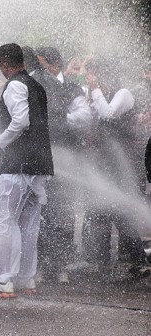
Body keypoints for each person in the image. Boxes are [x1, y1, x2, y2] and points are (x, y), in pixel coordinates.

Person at [0, 43, 54, 298]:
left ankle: (3, 279)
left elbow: (21, 121)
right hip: (38, 165)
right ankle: (26, 279)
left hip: (18, 166)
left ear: (3, 65)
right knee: (28, 224)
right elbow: (25, 120)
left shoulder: (14, 85)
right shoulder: (35, 85)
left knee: (3, 220)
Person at [28, 46, 93, 284]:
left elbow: (84, 116)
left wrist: (59, 119)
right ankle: (42, 264)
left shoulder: (70, 88)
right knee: (41, 213)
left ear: (52, 65)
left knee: (63, 213)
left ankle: (61, 264)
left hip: (65, 160)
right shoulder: (34, 86)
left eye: (41, 64)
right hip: (40, 158)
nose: (37, 69)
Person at [80, 58, 148, 272]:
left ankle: (132, 259)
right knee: (102, 208)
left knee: (116, 208)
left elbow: (108, 115)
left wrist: (95, 90)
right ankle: (102, 260)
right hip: (102, 160)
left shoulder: (123, 93)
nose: (92, 79)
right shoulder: (99, 94)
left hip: (119, 163)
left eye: (94, 75)